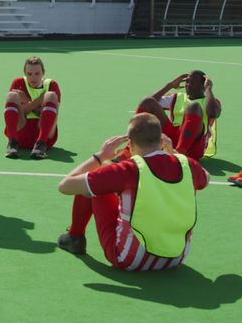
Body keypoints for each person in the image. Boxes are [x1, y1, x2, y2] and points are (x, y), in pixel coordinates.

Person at [56, 113, 209, 271]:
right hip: (176, 258)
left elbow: (64, 186)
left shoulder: (129, 169)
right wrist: (174, 153)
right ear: (162, 141)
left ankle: (75, 236)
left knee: (98, 174)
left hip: (130, 259)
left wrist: (100, 156)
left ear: (130, 143)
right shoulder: (188, 165)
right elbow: (206, 178)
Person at [135, 70, 221, 160]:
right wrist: (170, 85)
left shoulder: (210, 102)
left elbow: (213, 113)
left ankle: (179, 156)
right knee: (147, 101)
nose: (188, 84)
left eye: (193, 82)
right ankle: (132, 146)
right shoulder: (177, 97)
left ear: (202, 85)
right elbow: (149, 103)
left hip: (193, 146)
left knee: (193, 106)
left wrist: (208, 89)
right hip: (172, 140)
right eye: (187, 81)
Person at [3, 56, 61, 160]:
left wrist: (26, 103)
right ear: (25, 73)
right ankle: (12, 143)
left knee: (51, 96)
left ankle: (40, 146)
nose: (33, 77)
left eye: (37, 74)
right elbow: (19, 113)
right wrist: (39, 101)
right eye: (29, 74)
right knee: (11, 96)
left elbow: (51, 115)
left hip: (44, 134)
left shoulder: (51, 84)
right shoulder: (18, 83)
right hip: (21, 132)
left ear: (43, 73)